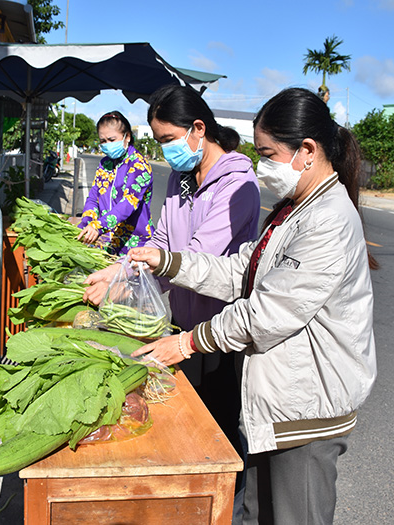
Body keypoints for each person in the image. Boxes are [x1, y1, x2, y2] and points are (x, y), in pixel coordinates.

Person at [127, 87, 377, 524]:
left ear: (307, 151)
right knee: (257, 514)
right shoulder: (292, 210)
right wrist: (167, 260)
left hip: (306, 410)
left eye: (268, 153)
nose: (262, 167)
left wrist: (188, 343)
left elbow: (267, 311)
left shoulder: (328, 220)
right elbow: (239, 271)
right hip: (278, 404)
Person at [83, 85, 261, 458]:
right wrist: (117, 273)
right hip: (178, 319)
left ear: (198, 128)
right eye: (159, 140)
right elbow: (160, 240)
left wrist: (126, 282)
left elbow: (198, 257)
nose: (165, 150)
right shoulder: (181, 179)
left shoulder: (238, 185)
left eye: (168, 139)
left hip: (217, 332)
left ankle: (226, 506)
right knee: (182, 423)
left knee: (217, 431)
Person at [77, 111, 153, 255]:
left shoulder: (138, 165)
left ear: (127, 137)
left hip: (134, 244)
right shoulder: (104, 164)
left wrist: (99, 226)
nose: (107, 145)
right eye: (103, 141)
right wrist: (86, 223)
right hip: (105, 242)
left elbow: (128, 203)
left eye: (112, 140)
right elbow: (94, 197)